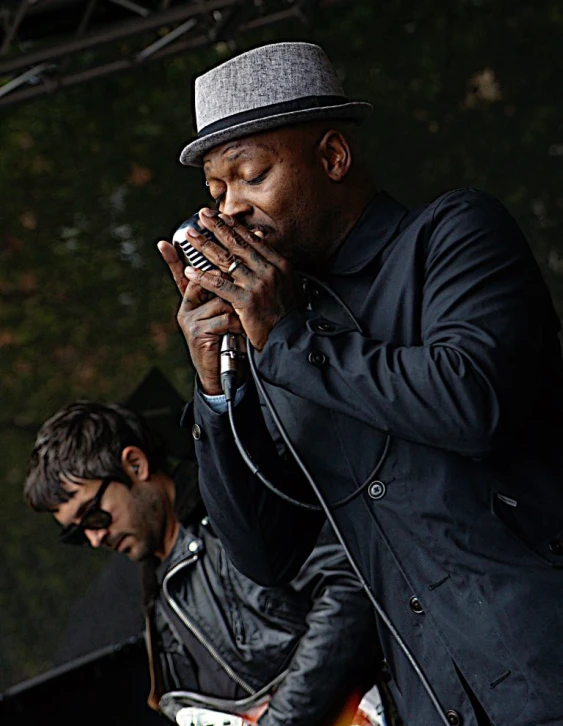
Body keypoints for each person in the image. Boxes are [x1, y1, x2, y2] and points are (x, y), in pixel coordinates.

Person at [156, 41, 563, 726]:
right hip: (437, 701)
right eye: (215, 193)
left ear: (333, 157)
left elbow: (472, 404)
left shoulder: (453, 234)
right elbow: (263, 554)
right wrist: (217, 387)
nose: (229, 212)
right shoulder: (273, 336)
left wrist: (285, 338)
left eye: (250, 175)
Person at [23, 400, 391, 726]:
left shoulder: (234, 515)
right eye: (77, 533)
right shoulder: (158, 602)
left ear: (135, 465)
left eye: (94, 516)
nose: (94, 538)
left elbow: (348, 590)